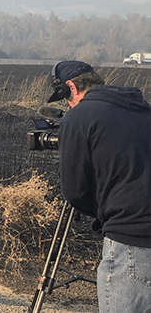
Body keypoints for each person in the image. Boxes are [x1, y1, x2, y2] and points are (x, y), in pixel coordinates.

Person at [47, 60, 151, 313]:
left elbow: (75, 192)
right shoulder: (143, 109)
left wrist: (103, 212)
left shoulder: (79, 117)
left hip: (129, 239)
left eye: (64, 98)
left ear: (68, 87)